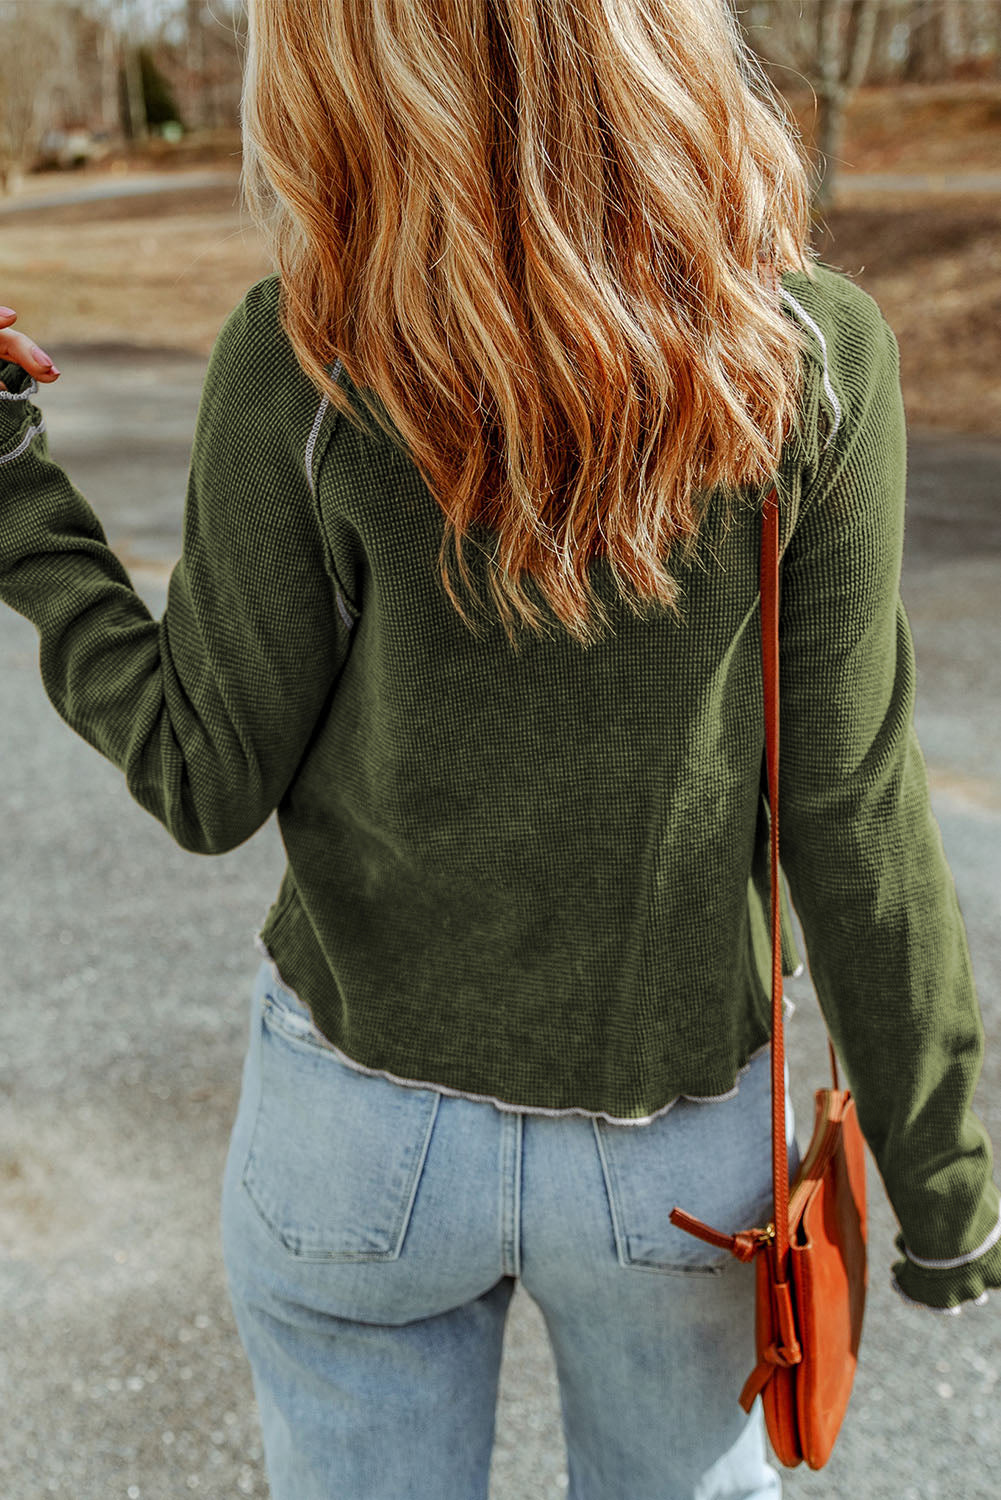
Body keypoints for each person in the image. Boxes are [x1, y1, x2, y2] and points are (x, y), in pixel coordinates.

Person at [1, 0, 998, 1496]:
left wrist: (18, 487)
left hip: (357, 1135)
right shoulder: (805, 357)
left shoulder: (302, 361)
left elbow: (203, 775)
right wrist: (944, 1193)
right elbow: (849, 817)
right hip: (677, 1168)